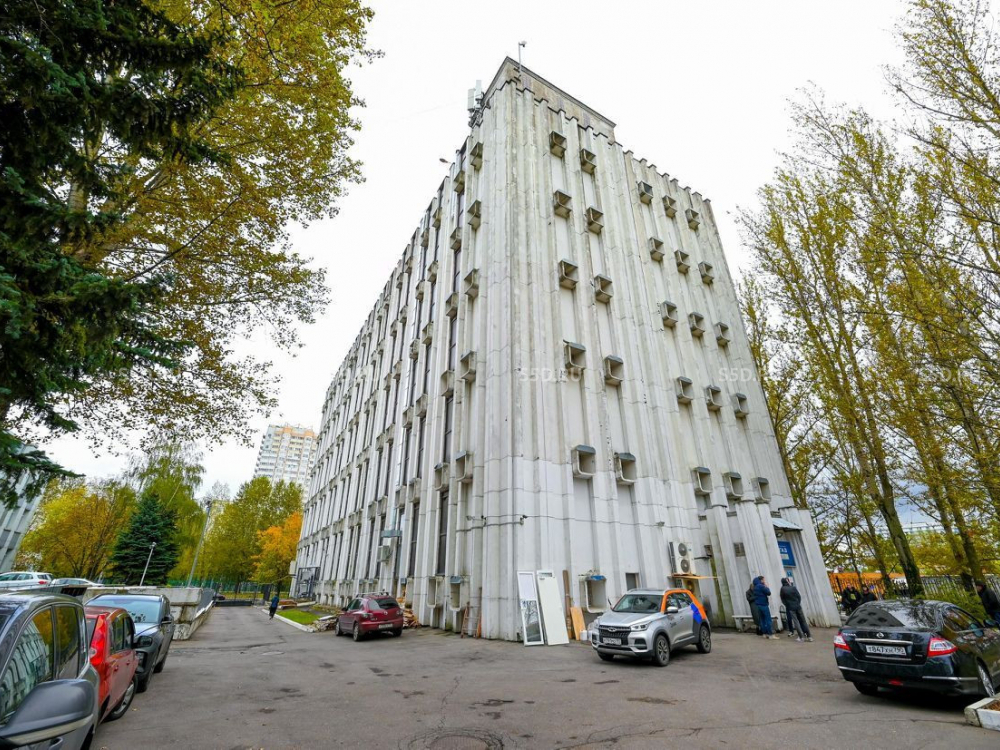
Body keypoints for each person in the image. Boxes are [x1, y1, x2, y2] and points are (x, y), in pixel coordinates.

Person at [780, 577, 813, 642]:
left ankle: (801, 637)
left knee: (796, 622)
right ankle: (809, 636)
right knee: (803, 621)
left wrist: (787, 605)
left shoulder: (782, 589)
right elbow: (799, 596)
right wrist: (797, 603)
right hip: (798, 606)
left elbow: (782, 599)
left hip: (791, 608)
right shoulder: (793, 587)